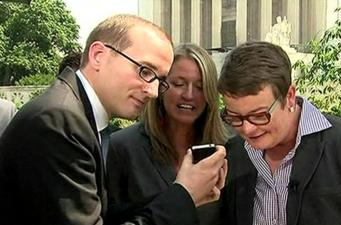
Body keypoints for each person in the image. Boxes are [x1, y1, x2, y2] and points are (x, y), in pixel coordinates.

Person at [0, 14, 227, 225]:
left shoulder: (75, 113)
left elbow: (102, 214)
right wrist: (183, 195)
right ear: (99, 55)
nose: (154, 91)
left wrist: (186, 194)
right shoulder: (59, 121)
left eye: (160, 79)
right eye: (145, 71)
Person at [218, 41, 341, 225]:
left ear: (289, 96)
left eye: (259, 116)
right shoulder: (234, 153)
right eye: (234, 117)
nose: (247, 129)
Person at [107, 43, 229, 225]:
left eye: (200, 86)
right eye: (179, 84)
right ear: (161, 87)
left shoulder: (226, 147)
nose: (189, 94)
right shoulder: (122, 146)